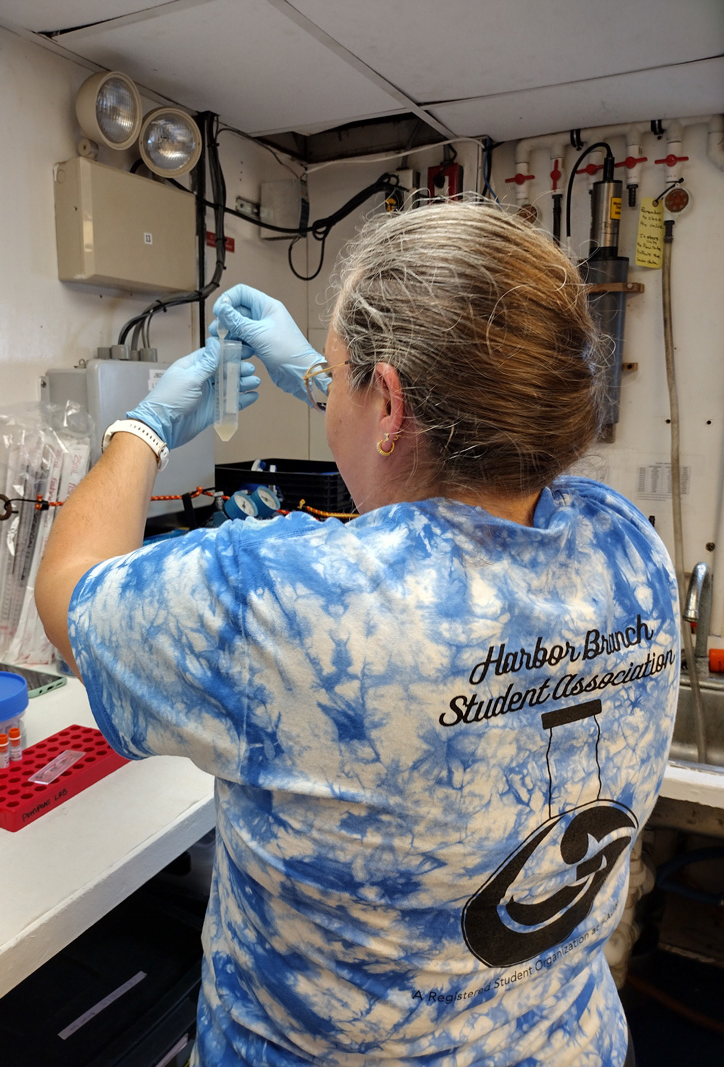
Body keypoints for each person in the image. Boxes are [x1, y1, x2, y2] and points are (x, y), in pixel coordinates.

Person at [35, 201, 679, 1067]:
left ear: (390, 401)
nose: (326, 390)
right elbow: (451, 450)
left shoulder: (292, 600)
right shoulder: (628, 542)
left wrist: (141, 427)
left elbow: (69, 592)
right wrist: (325, 374)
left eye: (339, 376)